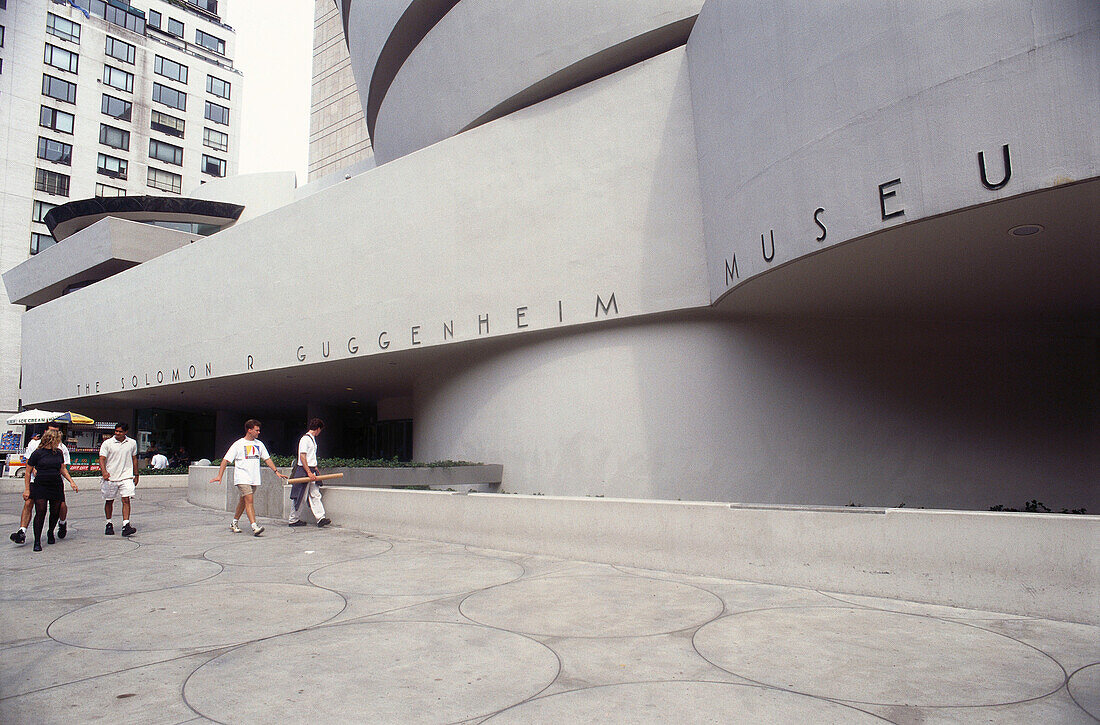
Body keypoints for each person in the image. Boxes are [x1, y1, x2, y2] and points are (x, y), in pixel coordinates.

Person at [209, 419, 287, 536]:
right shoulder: (238, 444)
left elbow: (267, 459)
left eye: (259, 430)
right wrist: (220, 475)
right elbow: (225, 460)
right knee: (249, 500)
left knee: (244, 501)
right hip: (242, 478)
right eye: (256, 430)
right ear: (249, 430)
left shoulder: (259, 444)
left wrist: (276, 471)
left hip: (254, 478)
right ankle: (254, 526)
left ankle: (234, 522)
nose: (259, 432)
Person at [10, 424, 72, 544]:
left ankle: (62, 523)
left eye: (56, 431)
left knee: (61, 506)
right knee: (29, 503)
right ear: (46, 431)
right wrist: (34, 471)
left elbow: (63, 466)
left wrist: (71, 481)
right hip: (37, 480)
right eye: (52, 431)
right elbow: (29, 462)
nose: (54, 433)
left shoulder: (61, 448)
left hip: (54, 481)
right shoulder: (34, 444)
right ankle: (22, 531)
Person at [24, 429, 79, 551]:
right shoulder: (37, 453)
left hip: (56, 484)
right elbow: (27, 472)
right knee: (41, 511)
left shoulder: (58, 453)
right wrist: (27, 489)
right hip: (41, 485)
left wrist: (71, 481)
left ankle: (50, 531)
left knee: (55, 511)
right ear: (52, 439)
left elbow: (62, 469)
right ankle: (37, 541)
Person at [289, 418, 331, 528]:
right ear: (318, 429)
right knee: (300, 496)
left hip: (311, 469)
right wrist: (308, 472)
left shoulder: (311, 439)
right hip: (304, 470)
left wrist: (315, 468)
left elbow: (309, 456)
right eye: (320, 430)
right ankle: (293, 519)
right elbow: (302, 456)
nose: (320, 432)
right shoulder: (305, 439)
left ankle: (320, 518)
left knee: (315, 494)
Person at [99, 423, 139, 536]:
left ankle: (126, 525)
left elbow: (134, 458)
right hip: (111, 477)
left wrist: (136, 474)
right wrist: (104, 472)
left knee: (126, 500)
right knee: (109, 500)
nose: (117, 433)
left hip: (126, 476)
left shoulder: (132, 443)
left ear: (125, 432)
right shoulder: (107, 443)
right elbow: (102, 459)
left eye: (120, 431)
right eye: (116, 431)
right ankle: (108, 523)